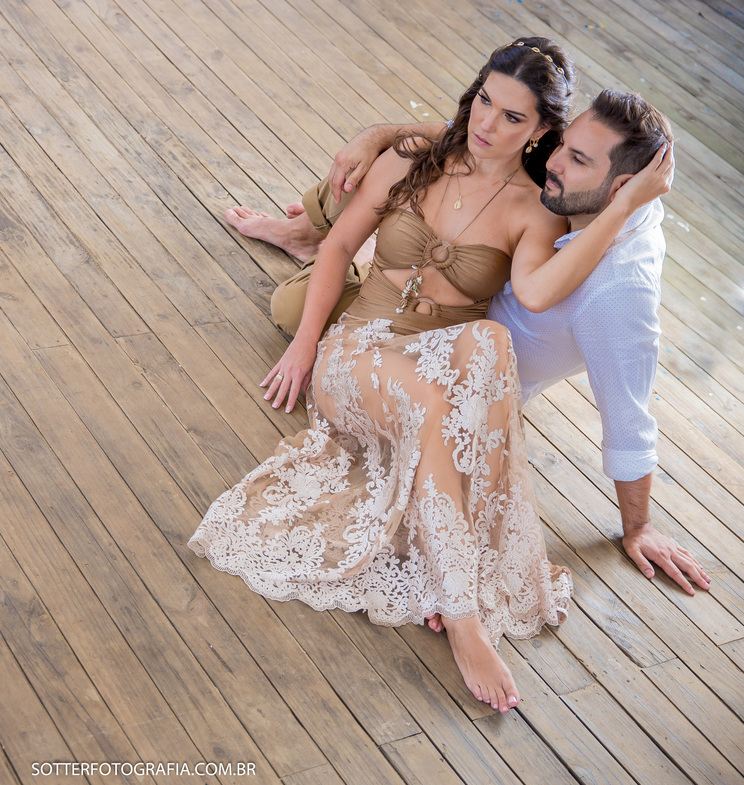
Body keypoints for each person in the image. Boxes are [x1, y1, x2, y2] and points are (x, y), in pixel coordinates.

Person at [189, 38, 677, 715]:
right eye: (485, 103)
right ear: (472, 95)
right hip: (358, 352)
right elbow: (340, 245)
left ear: (541, 131)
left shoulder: (537, 208)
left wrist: (623, 207)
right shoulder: (416, 159)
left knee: (486, 341)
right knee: (435, 387)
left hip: (437, 365)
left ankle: (446, 576)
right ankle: (464, 613)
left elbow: (536, 294)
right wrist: (305, 347)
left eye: (514, 119)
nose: (488, 125)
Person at [233, 90, 711, 600]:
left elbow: (629, 416)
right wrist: (375, 136)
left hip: (456, 353)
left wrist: (637, 527)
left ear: (625, 190)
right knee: (391, 170)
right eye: (563, 145)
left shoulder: (618, 295)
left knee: (295, 301)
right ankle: (312, 229)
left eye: (576, 159)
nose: (553, 161)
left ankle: (367, 243)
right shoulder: (565, 182)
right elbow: (479, 136)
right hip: (425, 281)